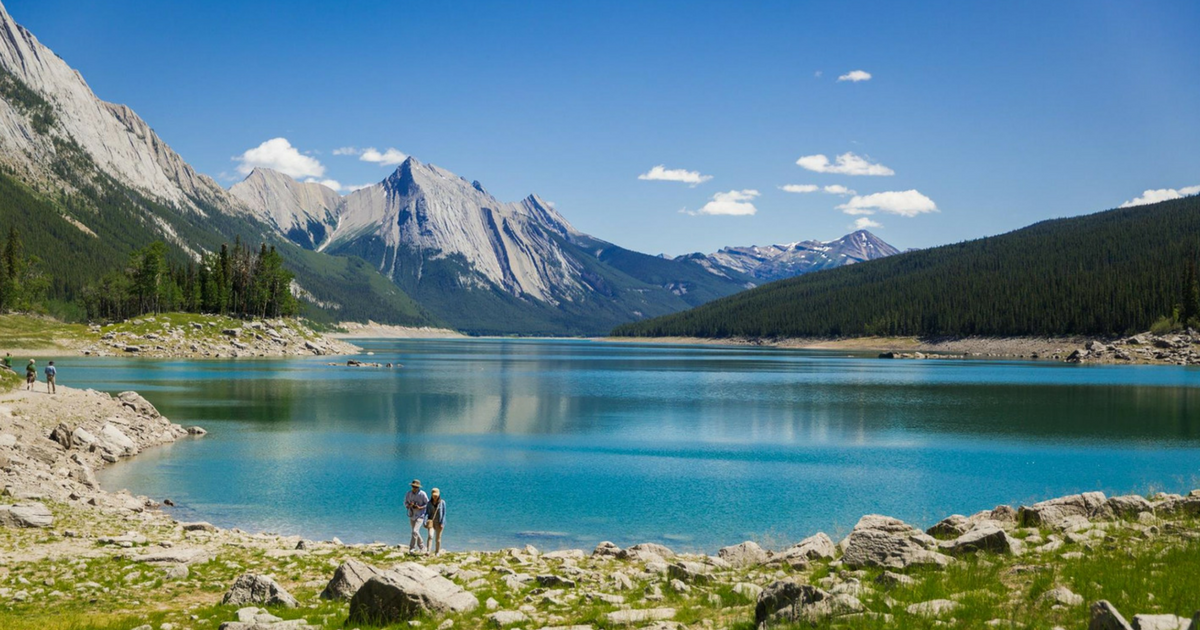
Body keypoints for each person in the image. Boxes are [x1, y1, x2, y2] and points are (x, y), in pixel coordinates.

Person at [404, 479, 429, 553]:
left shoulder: (422, 494)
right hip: (412, 515)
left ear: (418, 487)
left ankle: (412, 548)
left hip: (420, 515)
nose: (414, 488)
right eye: (413, 487)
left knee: (415, 531)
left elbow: (428, 503)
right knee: (415, 532)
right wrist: (409, 505)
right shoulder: (408, 493)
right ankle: (422, 547)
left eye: (416, 487)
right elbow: (405, 503)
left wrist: (420, 507)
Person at [425, 487, 446, 555]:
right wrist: (425, 521)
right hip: (431, 522)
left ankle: (437, 552)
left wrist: (442, 523)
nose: (435, 497)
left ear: (439, 495)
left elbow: (444, 514)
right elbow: (426, 513)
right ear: (431, 495)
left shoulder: (442, 503)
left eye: (436, 496)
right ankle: (428, 551)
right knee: (430, 536)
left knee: (438, 539)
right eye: (434, 495)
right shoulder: (429, 503)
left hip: (439, 523)